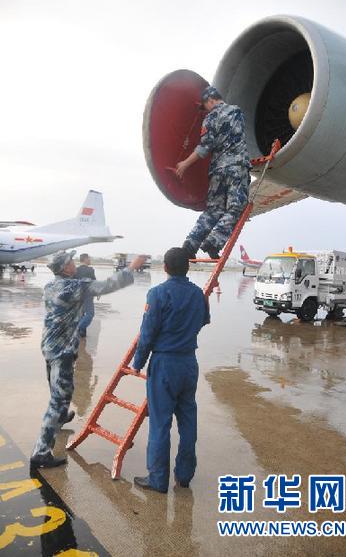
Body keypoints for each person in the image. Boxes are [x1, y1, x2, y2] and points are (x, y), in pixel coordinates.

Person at [30, 250, 147, 469]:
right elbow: (106, 286)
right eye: (71, 262)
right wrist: (131, 268)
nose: (74, 263)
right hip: (62, 353)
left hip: (49, 347)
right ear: (66, 268)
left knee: (56, 391)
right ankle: (41, 452)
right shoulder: (73, 287)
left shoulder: (50, 286)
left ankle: (62, 417)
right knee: (59, 400)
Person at [133, 247, 210, 493]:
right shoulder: (198, 294)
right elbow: (203, 321)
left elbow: (147, 333)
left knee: (160, 423)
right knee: (188, 420)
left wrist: (138, 363)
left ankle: (157, 480)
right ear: (187, 267)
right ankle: (184, 475)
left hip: (165, 363)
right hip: (188, 363)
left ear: (165, 268)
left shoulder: (157, 293)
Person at [176, 85, 251, 259]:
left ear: (211, 100)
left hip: (217, 171)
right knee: (235, 208)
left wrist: (184, 164)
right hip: (236, 167)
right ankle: (213, 242)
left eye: (205, 106)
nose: (205, 110)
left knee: (213, 210)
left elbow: (204, 148)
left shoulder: (208, 120)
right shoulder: (236, 112)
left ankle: (190, 244)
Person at [76, 253, 96, 338]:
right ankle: (77, 329)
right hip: (88, 295)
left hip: (77, 295)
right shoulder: (90, 270)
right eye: (89, 258)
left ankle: (82, 335)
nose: (90, 260)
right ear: (85, 259)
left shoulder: (76, 270)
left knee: (81, 314)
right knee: (90, 314)